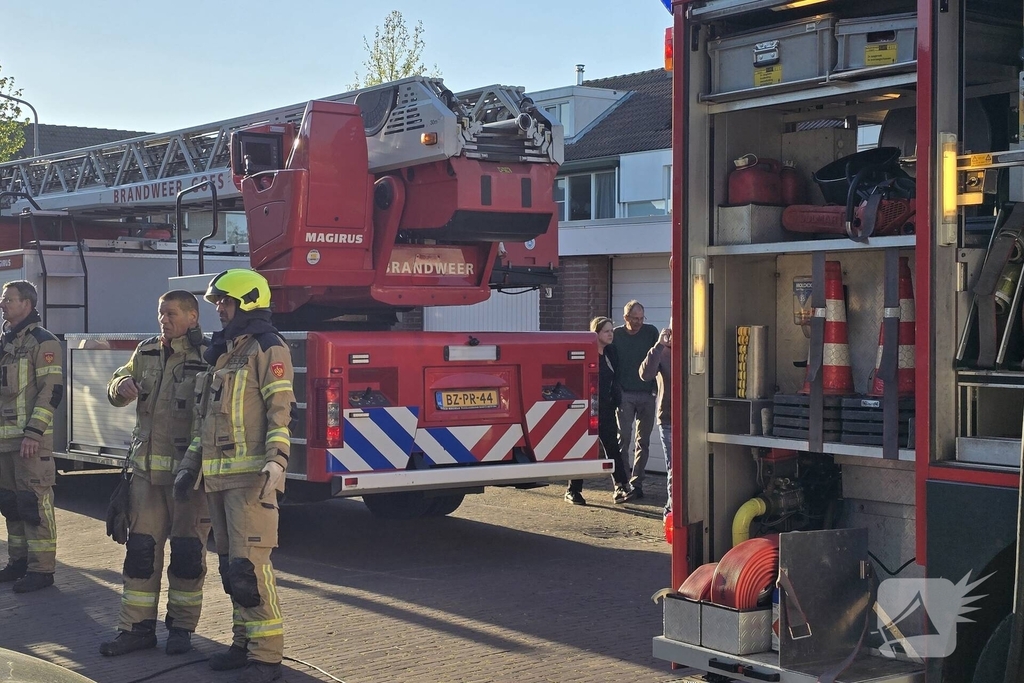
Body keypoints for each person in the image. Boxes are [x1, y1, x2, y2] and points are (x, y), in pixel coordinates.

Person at [175, 269, 295, 683]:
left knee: (250, 569)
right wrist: (191, 464)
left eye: (225, 302)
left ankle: (267, 658)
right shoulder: (224, 351)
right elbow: (205, 420)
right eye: (218, 303)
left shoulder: (268, 347)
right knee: (231, 569)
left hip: (250, 483)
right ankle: (243, 643)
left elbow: (281, 409)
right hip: (218, 481)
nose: (220, 310)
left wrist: (277, 460)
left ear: (247, 301)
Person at [99, 291, 211, 657]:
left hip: (187, 480)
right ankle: (136, 629)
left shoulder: (208, 357)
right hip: (145, 476)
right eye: (160, 313)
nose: (163, 319)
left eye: (172, 313)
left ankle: (181, 629)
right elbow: (116, 385)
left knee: (186, 555)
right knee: (141, 553)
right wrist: (120, 387)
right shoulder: (145, 351)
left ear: (193, 318)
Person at [0, 280, 63, 593]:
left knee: (34, 504)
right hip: (5, 442)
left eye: (8, 299)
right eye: (3, 299)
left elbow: (51, 391)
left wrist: (34, 433)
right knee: (11, 504)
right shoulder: (6, 342)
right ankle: (19, 562)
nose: (3, 304)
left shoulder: (43, 342)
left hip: (29, 442)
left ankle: (42, 570)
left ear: (27, 303)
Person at [565, 317, 633, 506]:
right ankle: (573, 490)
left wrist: (616, 399)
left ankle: (621, 486)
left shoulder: (611, 352)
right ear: (596, 333)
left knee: (612, 446)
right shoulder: (586, 353)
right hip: (587, 408)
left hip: (606, 407)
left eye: (611, 331)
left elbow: (615, 378)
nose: (611, 334)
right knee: (583, 448)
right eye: (606, 331)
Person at [612, 300, 659, 499]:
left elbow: (658, 359)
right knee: (623, 439)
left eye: (641, 318)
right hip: (625, 394)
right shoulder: (616, 335)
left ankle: (637, 483)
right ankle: (621, 484)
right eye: (635, 319)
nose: (639, 322)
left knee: (644, 441)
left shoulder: (650, 332)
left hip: (647, 394)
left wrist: (656, 389)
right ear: (626, 318)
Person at [640, 317, 672, 518]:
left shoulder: (698, 349)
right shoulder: (662, 353)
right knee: (674, 468)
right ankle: (671, 511)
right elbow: (645, 374)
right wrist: (659, 345)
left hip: (694, 418)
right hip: (668, 419)